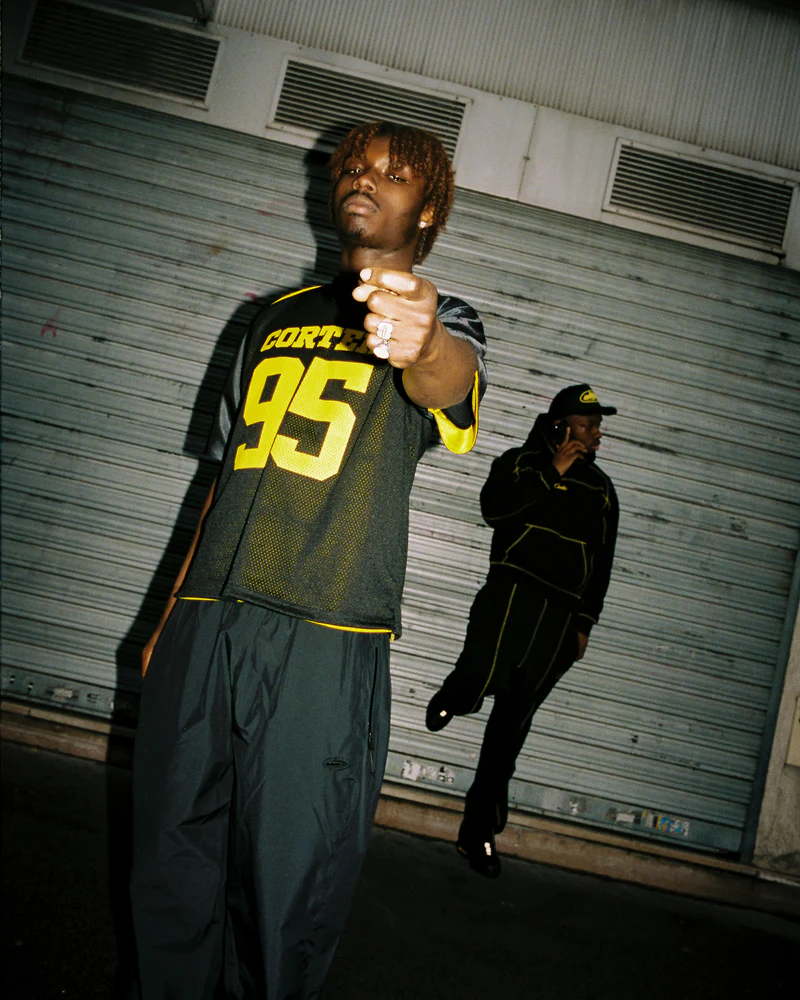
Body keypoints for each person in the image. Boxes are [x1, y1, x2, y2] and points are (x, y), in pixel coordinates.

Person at [129, 121, 487, 999]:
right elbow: (221, 480)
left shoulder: (443, 316)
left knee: (289, 888)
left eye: (394, 174)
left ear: (428, 210)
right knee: (171, 859)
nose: (364, 178)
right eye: (353, 167)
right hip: (208, 618)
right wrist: (169, 618)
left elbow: (448, 380)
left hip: (327, 631)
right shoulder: (272, 317)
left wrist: (423, 339)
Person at [425, 384, 619, 878]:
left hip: (560, 616)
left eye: (597, 425)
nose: (596, 434)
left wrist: (584, 624)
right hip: (510, 593)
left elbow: (602, 562)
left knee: (510, 730)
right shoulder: (519, 464)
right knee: (480, 669)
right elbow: (495, 510)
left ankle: (477, 834)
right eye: (586, 424)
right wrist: (552, 473)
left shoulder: (602, 489)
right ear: (559, 426)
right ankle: (458, 694)